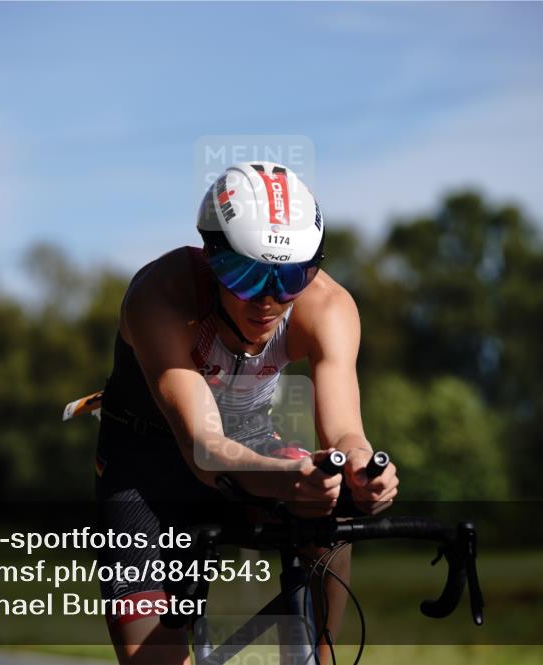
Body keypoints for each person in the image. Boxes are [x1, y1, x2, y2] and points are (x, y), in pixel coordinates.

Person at [94, 162, 399, 665]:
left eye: (291, 276)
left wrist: (364, 470)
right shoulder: (161, 296)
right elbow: (205, 449)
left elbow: (345, 432)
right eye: (246, 274)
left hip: (251, 439)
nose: (268, 299)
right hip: (146, 464)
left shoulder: (328, 307)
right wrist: (287, 478)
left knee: (329, 511)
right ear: (213, 259)